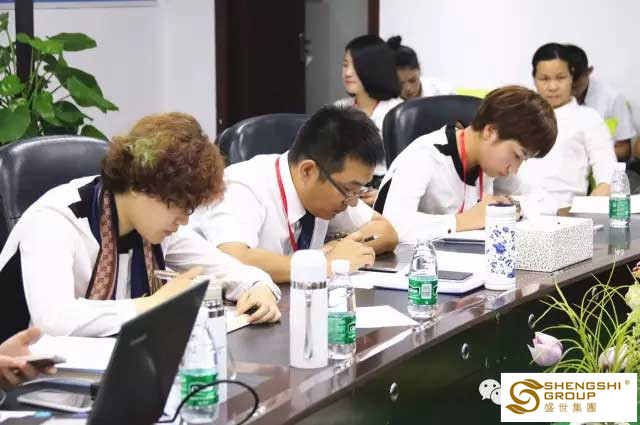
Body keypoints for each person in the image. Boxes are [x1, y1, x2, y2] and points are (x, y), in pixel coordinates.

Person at [0, 113, 282, 338]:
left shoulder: (153, 225)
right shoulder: (56, 218)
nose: (184, 220)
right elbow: (53, 320)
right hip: (24, 377)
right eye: (179, 205)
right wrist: (153, 304)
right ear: (139, 184)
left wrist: (260, 288)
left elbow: (231, 271)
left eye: (191, 208)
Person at [191, 106, 398, 284]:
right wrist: (323, 263)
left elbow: (385, 231)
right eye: (348, 190)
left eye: (357, 191)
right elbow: (233, 259)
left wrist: (343, 251)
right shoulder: (241, 186)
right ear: (308, 171)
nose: (352, 203)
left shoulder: (332, 190)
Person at [376, 86, 557, 243]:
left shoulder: (490, 161)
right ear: (490, 132)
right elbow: (392, 226)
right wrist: (465, 220)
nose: (514, 170)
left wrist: (513, 207)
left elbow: (544, 202)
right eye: (517, 156)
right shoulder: (423, 156)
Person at [498, 43, 616, 214]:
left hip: (561, 211)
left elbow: (607, 169)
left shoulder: (588, 118)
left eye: (560, 78)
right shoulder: (517, 112)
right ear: (534, 78)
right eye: (544, 79)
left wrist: (602, 191)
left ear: (571, 77)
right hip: (510, 207)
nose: (552, 87)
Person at [335, 34, 403, 192]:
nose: (348, 73)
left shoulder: (399, 113)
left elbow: (409, 169)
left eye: (355, 66)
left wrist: (383, 194)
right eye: (345, 65)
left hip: (387, 190)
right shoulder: (338, 109)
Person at [567, 44, 637, 162]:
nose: (571, 85)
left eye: (576, 80)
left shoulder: (611, 98)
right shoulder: (547, 96)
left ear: (589, 71)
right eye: (563, 78)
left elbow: (624, 150)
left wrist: (588, 159)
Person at [386, 35, 454, 101]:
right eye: (400, 84)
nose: (408, 88)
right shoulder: (387, 103)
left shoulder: (443, 93)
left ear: (419, 69)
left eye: (412, 80)